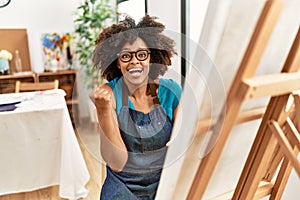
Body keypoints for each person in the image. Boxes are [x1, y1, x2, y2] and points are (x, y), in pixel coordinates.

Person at [90, 15, 182, 200]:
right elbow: (117, 163)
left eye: (142, 54)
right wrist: (103, 111)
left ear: (152, 57)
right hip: (123, 185)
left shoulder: (171, 92)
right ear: (116, 62)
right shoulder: (109, 95)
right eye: (125, 56)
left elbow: (181, 150)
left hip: (164, 180)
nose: (134, 61)